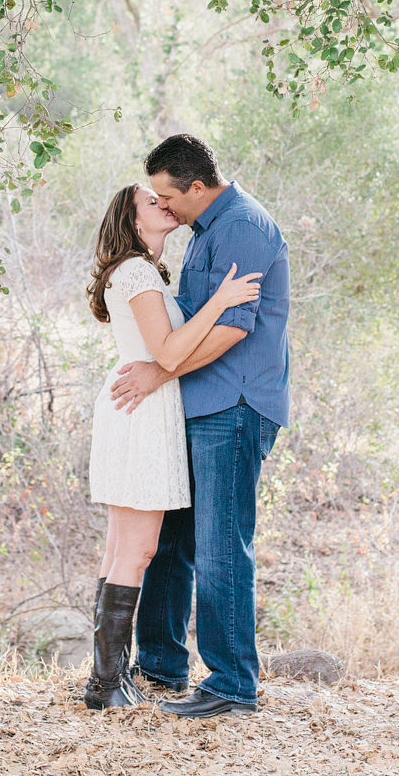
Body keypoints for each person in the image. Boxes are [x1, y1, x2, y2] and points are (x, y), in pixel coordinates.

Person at [110, 133, 290, 718]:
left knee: (219, 548)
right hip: (197, 404)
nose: (165, 208)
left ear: (195, 187)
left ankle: (232, 685)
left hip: (233, 406)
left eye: (169, 196)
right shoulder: (206, 231)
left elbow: (231, 329)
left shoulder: (242, 226)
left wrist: (161, 373)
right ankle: (161, 662)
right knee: (173, 542)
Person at [82, 182, 263, 710]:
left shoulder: (141, 272)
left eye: (163, 197)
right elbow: (167, 349)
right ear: (133, 222)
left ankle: (105, 680)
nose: (163, 204)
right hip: (141, 412)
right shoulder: (136, 271)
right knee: (137, 550)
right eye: (150, 201)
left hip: (138, 408)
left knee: (122, 548)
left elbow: (158, 349)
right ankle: (106, 683)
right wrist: (221, 303)